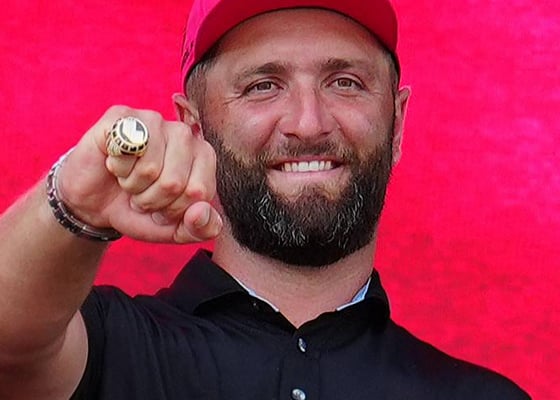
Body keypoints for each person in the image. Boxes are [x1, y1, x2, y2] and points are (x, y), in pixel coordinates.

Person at [0, 0, 530, 399]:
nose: (308, 123)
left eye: (345, 82)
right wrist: (74, 203)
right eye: (262, 86)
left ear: (398, 125)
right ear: (194, 126)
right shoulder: (110, 346)